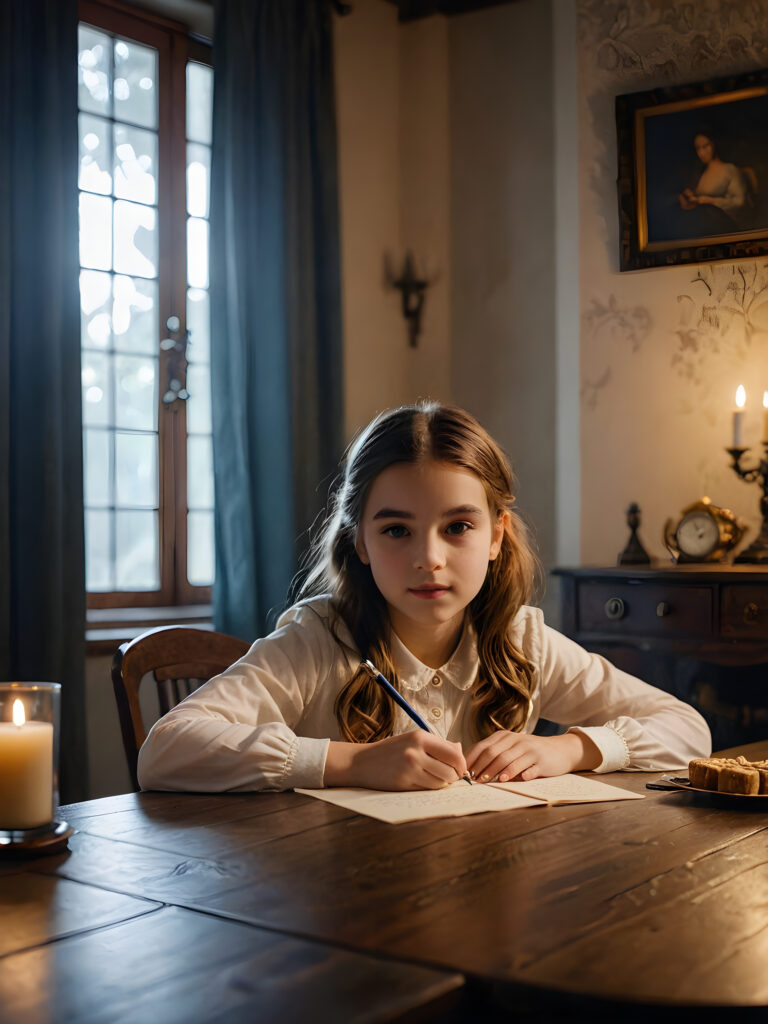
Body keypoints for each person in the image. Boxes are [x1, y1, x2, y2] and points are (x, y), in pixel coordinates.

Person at [137, 402, 711, 793]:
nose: (429, 558)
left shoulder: (521, 640)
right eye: (395, 530)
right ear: (359, 541)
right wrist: (351, 762)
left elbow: (687, 728)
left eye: (458, 527)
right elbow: (165, 749)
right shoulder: (317, 639)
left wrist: (570, 750)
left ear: (496, 536)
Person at [678, 131, 750, 228]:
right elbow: (698, 199)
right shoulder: (701, 173)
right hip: (703, 226)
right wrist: (690, 196)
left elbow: (739, 202)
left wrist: (710, 200)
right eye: (697, 148)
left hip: (725, 226)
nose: (701, 153)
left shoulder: (730, 170)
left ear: (714, 144)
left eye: (705, 146)